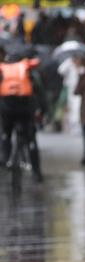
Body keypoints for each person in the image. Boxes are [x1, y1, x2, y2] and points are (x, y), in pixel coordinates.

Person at [0, 48, 46, 182]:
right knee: (31, 139)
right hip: (26, 110)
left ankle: (6, 157)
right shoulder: (28, 72)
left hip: (7, 110)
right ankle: (36, 172)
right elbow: (40, 94)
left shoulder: (3, 72)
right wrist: (42, 111)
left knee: (6, 132)